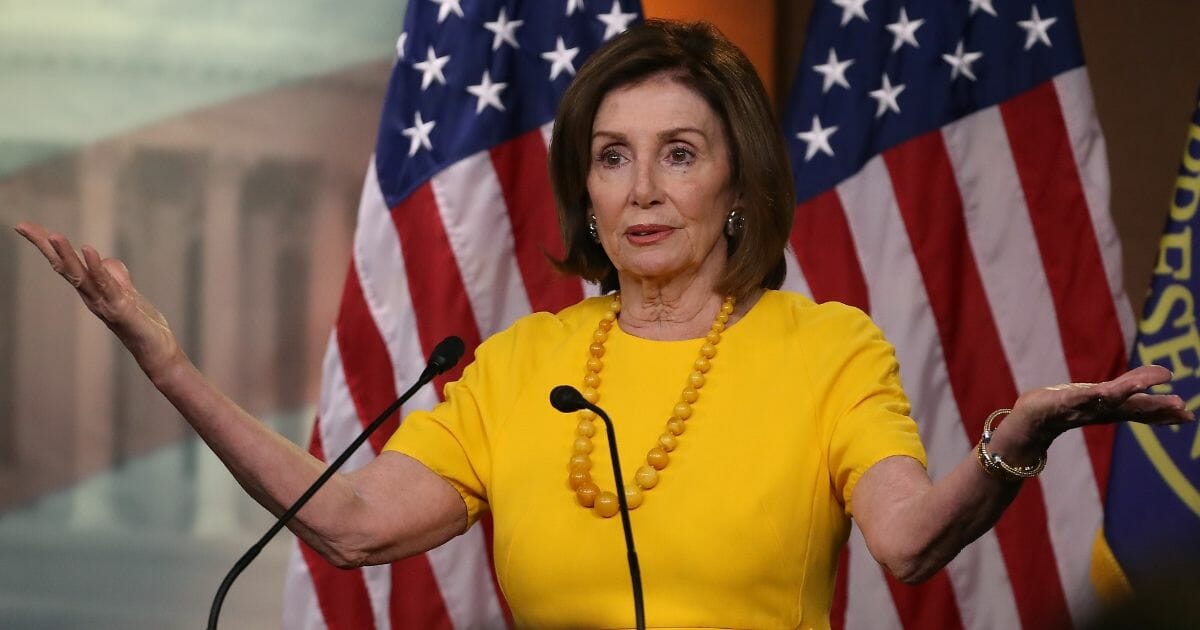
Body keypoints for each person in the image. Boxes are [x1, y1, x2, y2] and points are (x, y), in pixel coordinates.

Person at [14, 19, 1193, 629]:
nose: (640, 190)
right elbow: (355, 527)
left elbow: (910, 540)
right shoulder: (523, 363)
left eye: (678, 156)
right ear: (582, 188)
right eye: (612, 160)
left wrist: (1011, 444)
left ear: (737, 185)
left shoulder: (827, 348)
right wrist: (170, 370)